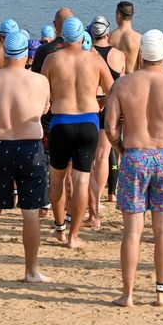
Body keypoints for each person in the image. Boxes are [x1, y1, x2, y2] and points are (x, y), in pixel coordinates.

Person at [104, 29, 163, 306]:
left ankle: (128, 294)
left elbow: (110, 127)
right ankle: (162, 292)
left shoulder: (122, 85)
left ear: (142, 53)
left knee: (132, 231)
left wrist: (120, 147)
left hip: (134, 155)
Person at [0, 30, 50, 283]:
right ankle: (30, 271)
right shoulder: (39, 81)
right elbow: (44, 109)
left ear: (5, 52)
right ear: (27, 54)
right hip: (29, 148)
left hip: (0, 147)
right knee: (30, 212)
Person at [41, 16, 114, 249]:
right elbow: (114, 91)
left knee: (58, 178)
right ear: (83, 36)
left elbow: (42, 92)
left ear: (62, 37)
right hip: (88, 122)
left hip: (61, 122)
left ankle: (60, 228)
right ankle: (74, 236)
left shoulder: (52, 59)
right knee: (82, 180)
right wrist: (100, 103)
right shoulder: (95, 60)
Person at [89, 15, 126, 229]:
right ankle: (100, 197)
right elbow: (119, 83)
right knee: (104, 155)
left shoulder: (87, 54)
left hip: (91, 105)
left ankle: (90, 197)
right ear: (108, 34)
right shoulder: (118, 55)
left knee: (89, 157)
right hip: (110, 104)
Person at [108, 1, 141, 71]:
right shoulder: (139, 38)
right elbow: (143, 66)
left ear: (118, 15)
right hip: (132, 79)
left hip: (114, 80)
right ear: (132, 16)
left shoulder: (109, 37)